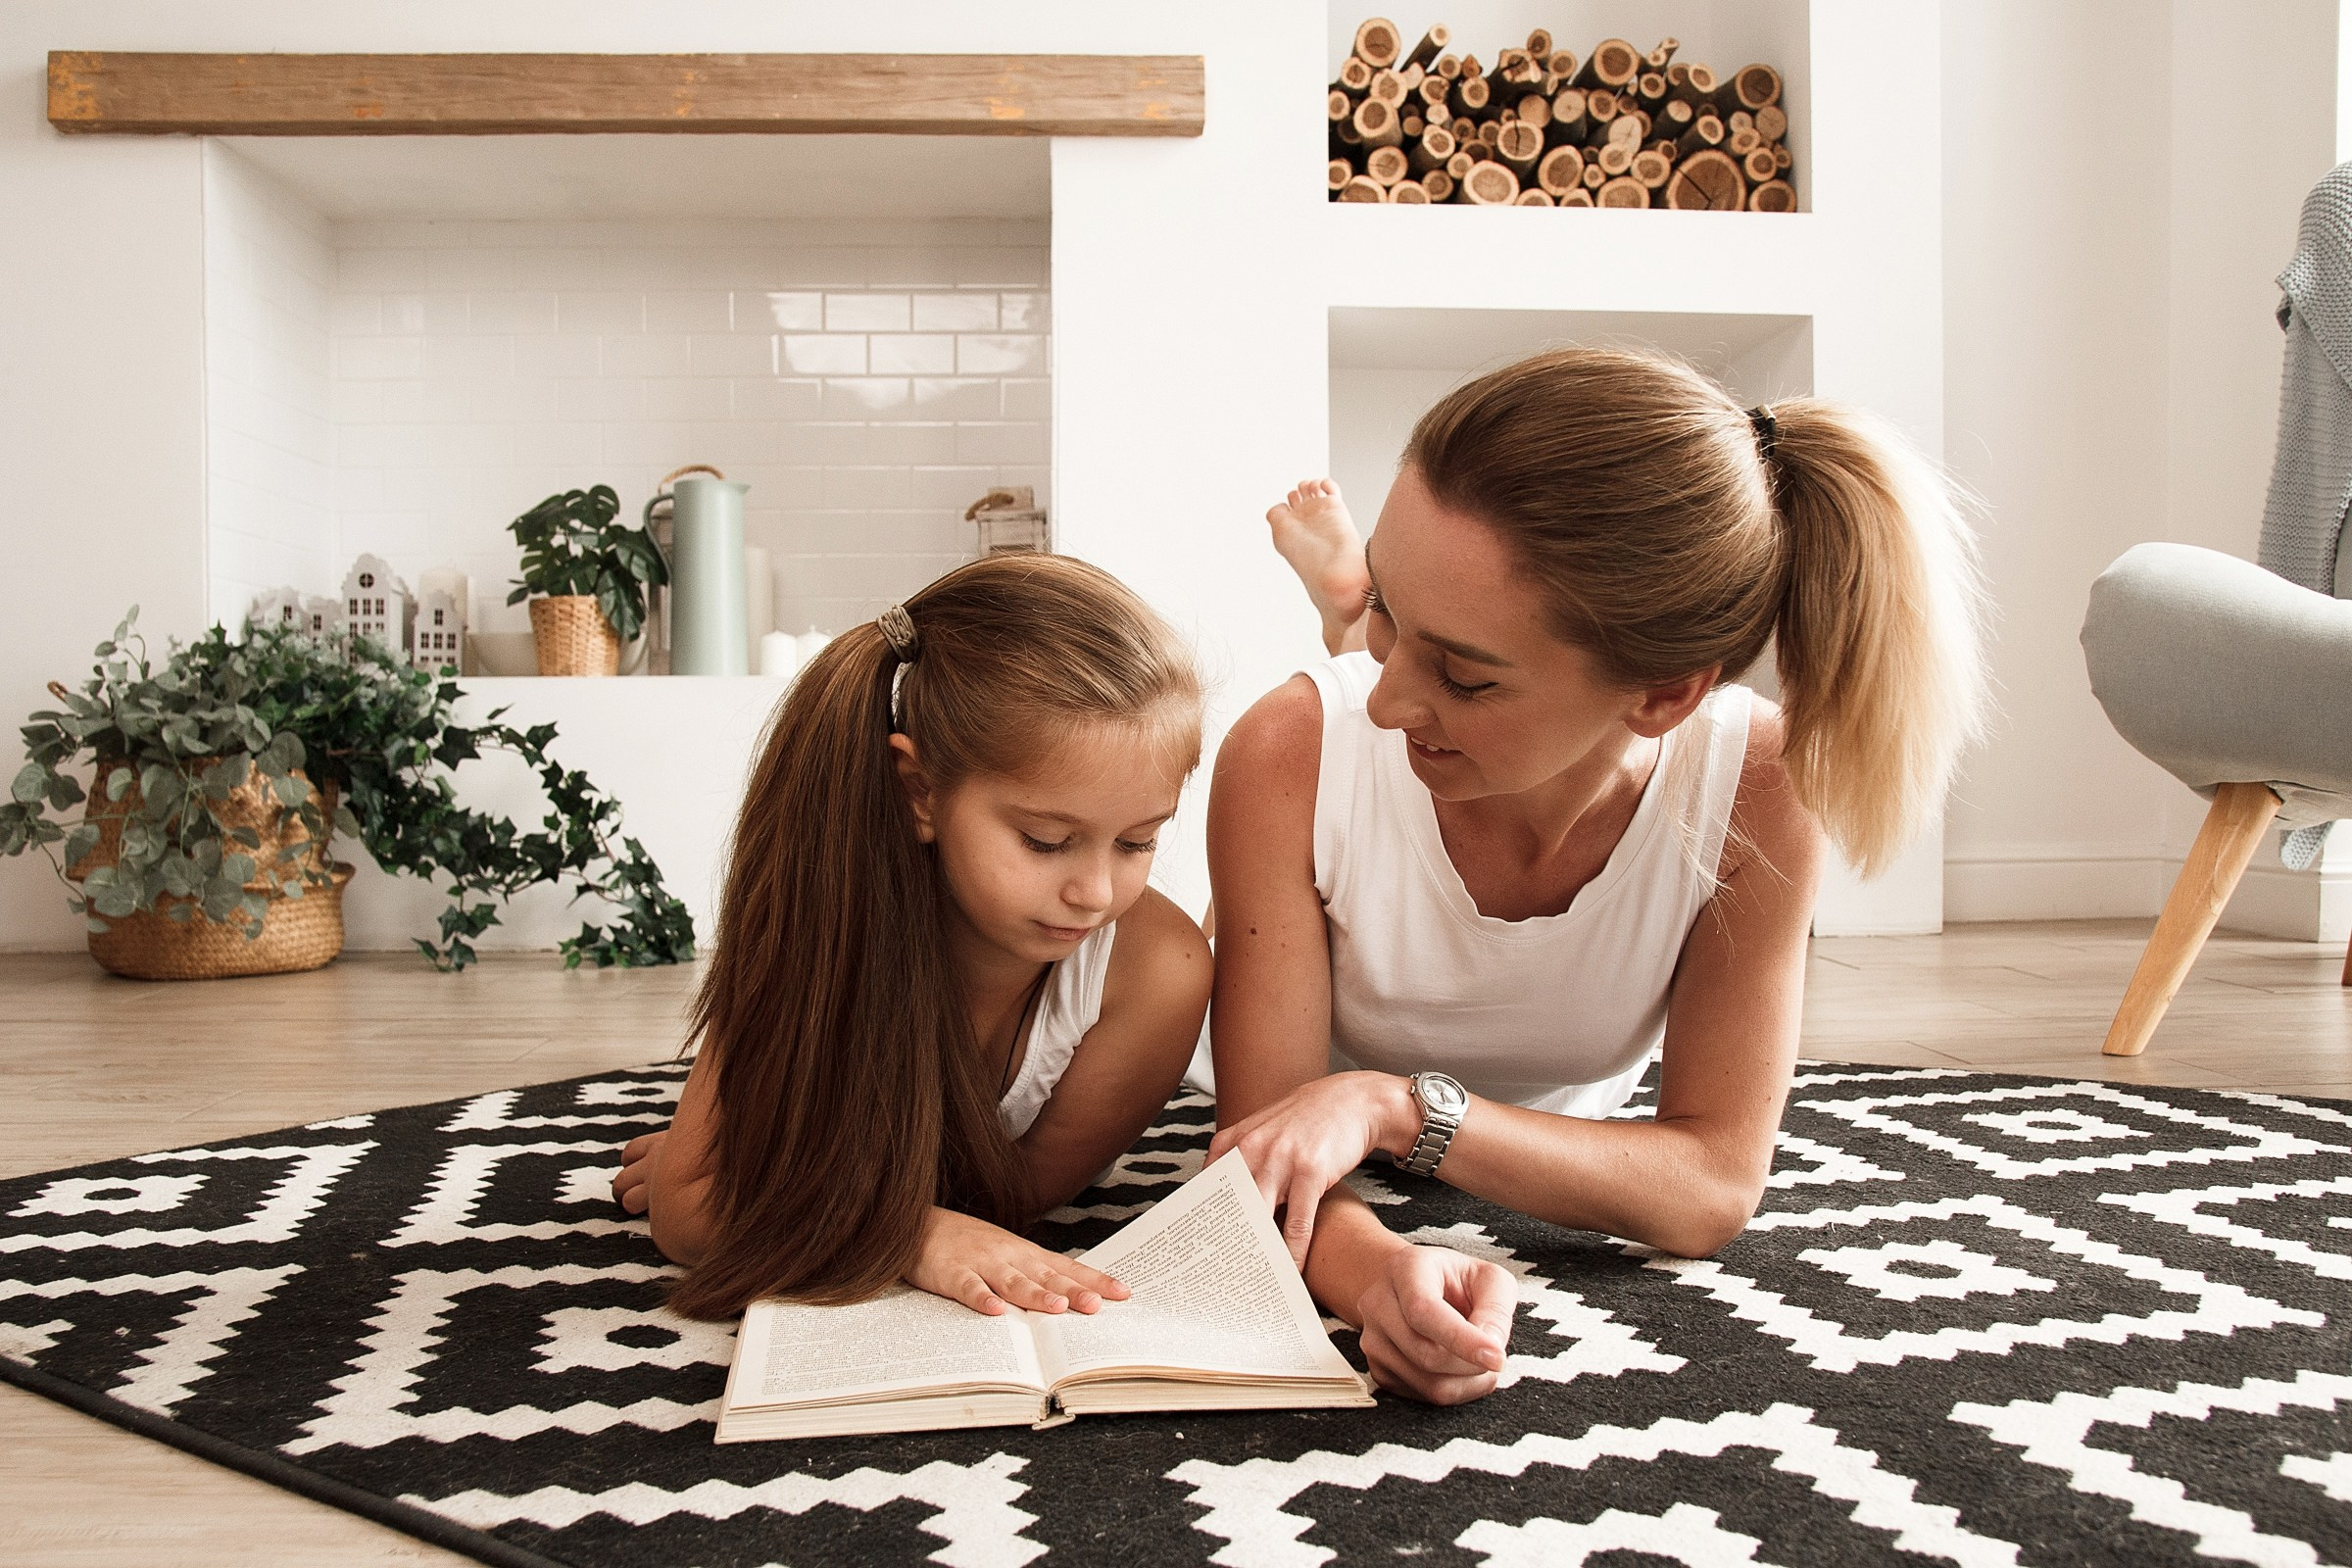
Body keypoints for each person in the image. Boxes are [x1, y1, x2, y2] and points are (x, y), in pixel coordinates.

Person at [1208, 347, 1987, 1405]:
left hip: (1419, 1096)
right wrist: (1375, 1270)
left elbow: (1711, 1184)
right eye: (1393, 616)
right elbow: (1260, 1159)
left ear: (1664, 696)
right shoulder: (1289, 750)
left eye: (1464, 673)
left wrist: (1400, 1110)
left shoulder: (1756, 787)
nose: (1387, 702)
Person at [613, 553, 1212, 1323]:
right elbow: (687, 1212)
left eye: (1137, 842)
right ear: (920, 791)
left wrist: (772, 1197)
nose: (1095, 892)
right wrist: (911, 1235)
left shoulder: (1161, 974)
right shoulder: (820, 916)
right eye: (1044, 840)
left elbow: (1005, 1208)